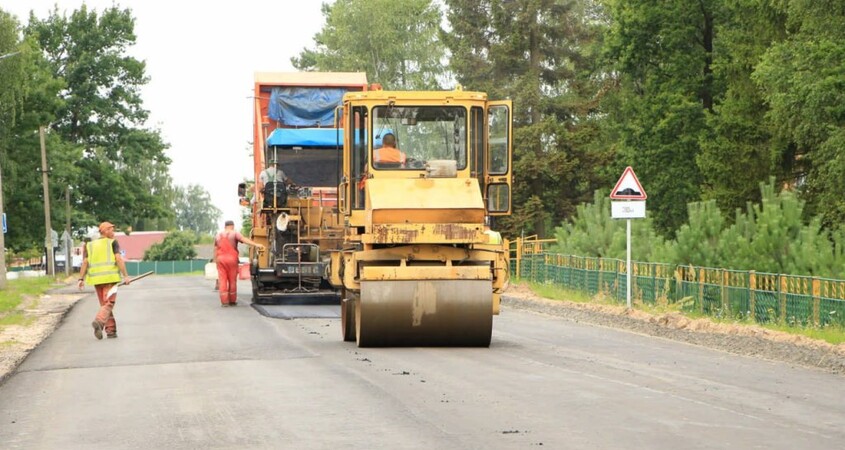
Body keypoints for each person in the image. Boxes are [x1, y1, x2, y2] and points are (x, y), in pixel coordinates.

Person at [77, 221, 131, 340]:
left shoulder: (90, 245)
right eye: (112, 230)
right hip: (110, 279)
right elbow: (118, 259)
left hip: (97, 280)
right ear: (105, 231)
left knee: (105, 306)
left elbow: (85, 262)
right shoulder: (112, 242)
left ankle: (111, 331)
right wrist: (126, 276)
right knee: (109, 303)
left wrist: (81, 278)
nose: (114, 233)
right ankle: (99, 321)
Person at [214, 220, 264, 307]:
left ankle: (224, 302)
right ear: (232, 226)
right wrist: (256, 244)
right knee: (232, 280)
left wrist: (216, 260)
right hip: (232, 259)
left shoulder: (218, 235)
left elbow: (215, 248)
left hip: (220, 259)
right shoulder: (234, 233)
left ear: (225, 226)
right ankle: (232, 301)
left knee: (222, 280)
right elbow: (244, 240)